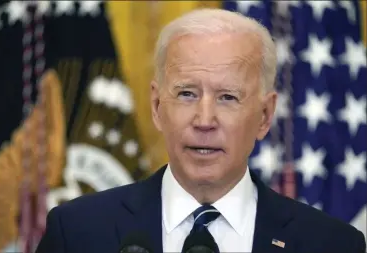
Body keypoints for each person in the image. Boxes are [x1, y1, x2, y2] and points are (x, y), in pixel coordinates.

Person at [36, 8, 366, 253]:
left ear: (264, 116)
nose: (204, 119)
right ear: (157, 106)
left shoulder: (332, 244)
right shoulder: (78, 233)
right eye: (187, 94)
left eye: (227, 97)